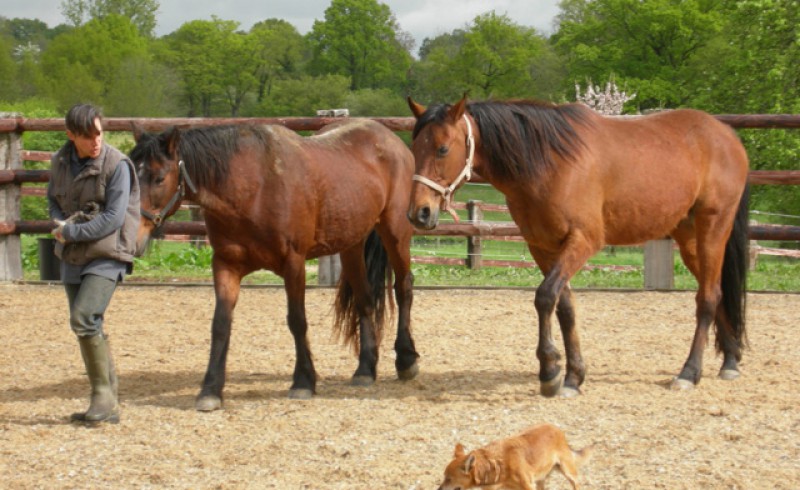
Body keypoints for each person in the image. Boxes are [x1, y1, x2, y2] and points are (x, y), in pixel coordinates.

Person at [47, 104, 142, 425]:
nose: (95, 141)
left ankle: (101, 396)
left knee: (84, 317)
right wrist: (58, 222)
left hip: (109, 253)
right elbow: (52, 199)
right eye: (87, 136)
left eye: (98, 133)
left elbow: (114, 218)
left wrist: (69, 231)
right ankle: (108, 403)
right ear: (71, 136)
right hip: (73, 253)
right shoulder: (59, 162)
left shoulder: (118, 165)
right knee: (88, 324)